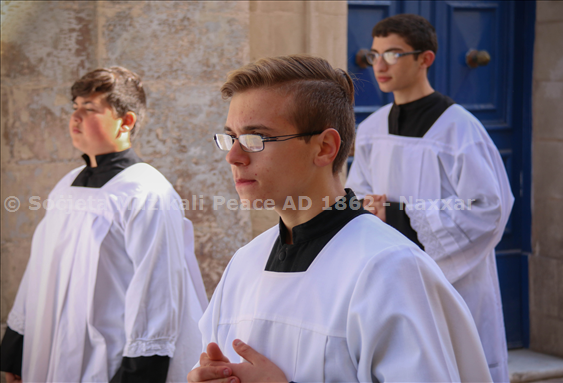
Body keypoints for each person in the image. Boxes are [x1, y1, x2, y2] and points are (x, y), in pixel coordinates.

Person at [187, 55, 492, 383]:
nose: (234, 156)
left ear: (324, 147)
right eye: (230, 137)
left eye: (254, 138)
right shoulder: (244, 263)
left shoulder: (389, 268)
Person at [0, 66, 209, 383]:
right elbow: (38, 271)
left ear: (126, 122)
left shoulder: (146, 192)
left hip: (109, 362)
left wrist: (137, 375)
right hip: (50, 353)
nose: (75, 118)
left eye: (90, 108)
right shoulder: (67, 185)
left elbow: (156, 294)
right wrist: (14, 354)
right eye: (75, 107)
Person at [345, 14, 514, 382]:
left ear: (426, 59)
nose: (380, 65)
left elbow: (490, 209)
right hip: (390, 273)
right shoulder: (372, 127)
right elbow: (357, 191)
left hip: (456, 281)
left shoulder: (459, 128)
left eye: (393, 53)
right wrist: (366, 208)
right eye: (374, 54)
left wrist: (399, 213)